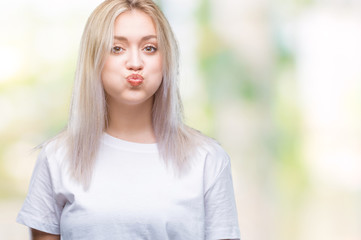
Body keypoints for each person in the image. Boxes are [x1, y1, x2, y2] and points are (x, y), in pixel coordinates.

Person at [16, 0, 241, 239]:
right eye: (117, 48)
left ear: (166, 60)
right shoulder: (58, 157)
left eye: (150, 48)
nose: (135, 63)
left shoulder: (207, 159)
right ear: (94, 59)